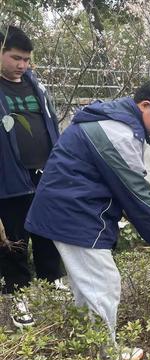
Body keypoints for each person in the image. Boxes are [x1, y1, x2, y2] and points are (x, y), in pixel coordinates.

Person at [25, 79, 150, 360]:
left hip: (76, 209)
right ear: (145, 106)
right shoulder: (118, 132)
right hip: (74, 214)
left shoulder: (118, 121)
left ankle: (101, 352)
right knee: (102, 288)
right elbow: (137, 194)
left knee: (90, 291)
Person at [0, 25, 64, 327]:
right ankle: (19, 294)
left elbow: (49, 122)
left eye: (27, 59)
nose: (22, 65)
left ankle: (53, 282)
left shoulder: (35, 84)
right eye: (16, 58)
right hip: (10, 178)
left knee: (47, 231)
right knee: (15, 239)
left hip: (45, 173)